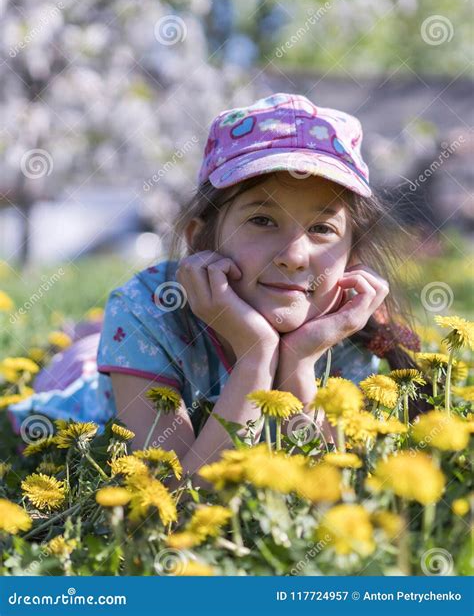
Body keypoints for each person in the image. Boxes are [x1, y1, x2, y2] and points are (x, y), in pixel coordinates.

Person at [9, 93, 418, 479]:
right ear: (200, 239)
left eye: (322, 228)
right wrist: (255, 356)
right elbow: (175, 501)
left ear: (352, 256)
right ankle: (82, 337)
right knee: (77, 358)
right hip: (86, 391)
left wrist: (298, 363)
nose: (294, 256)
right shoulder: (146, 311)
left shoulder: (350, 332)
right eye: (262, 220)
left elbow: (317, 488)